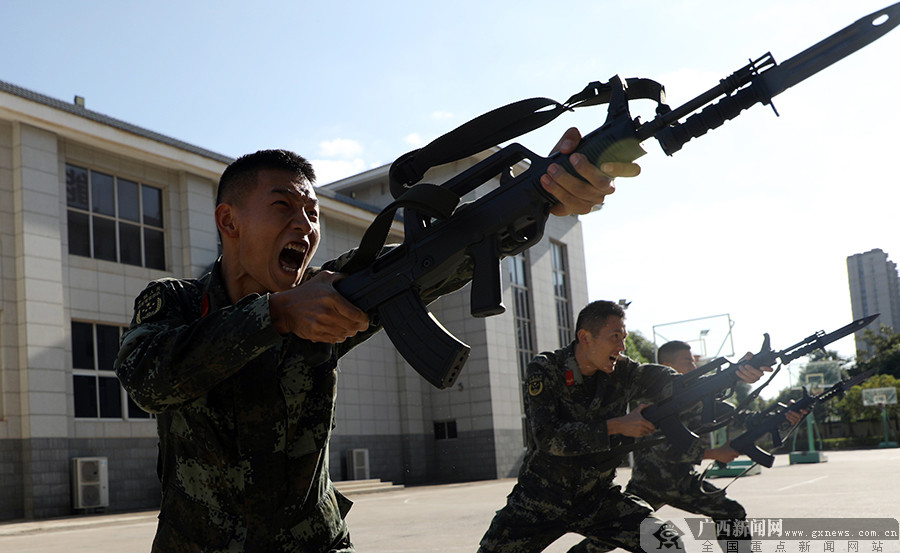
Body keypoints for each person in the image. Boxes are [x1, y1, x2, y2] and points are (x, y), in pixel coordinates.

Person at [114, 128, 637, 553]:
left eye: (313, 213)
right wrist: (271, 315)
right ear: (229, 220)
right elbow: (148, 379)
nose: (305, 225)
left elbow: (432, 260)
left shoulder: (333, 293)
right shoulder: (177, 302)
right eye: (283, 207)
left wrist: (542, 196)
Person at [476, 301, 770, 553]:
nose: (621, 345)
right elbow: (548, 437)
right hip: (538, 501)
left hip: (597, 499)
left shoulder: (624, 370)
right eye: (614, 336)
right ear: (585, 337)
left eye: (624, 337)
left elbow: (676, 386)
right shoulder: (547, 369)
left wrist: (732, 374)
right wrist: (617, 426)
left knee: (666, 542)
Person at [567, 340, 805, 553]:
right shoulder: (651, 401)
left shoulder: (700, 398)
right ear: (667, 366)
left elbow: (738, 415)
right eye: (687, 362)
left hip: (684, 481)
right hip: (651, 482)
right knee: (610, 537)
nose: (693, 367)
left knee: (731, 512)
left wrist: (782, 417)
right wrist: (713, 453)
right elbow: (661, 450)